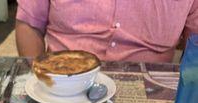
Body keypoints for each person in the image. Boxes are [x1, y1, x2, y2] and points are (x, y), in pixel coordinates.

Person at [16, 0, 198, 62]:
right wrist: (37, 76)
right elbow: (30, 24)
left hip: (150, 97)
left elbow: (195, 49)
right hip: (62, 82)